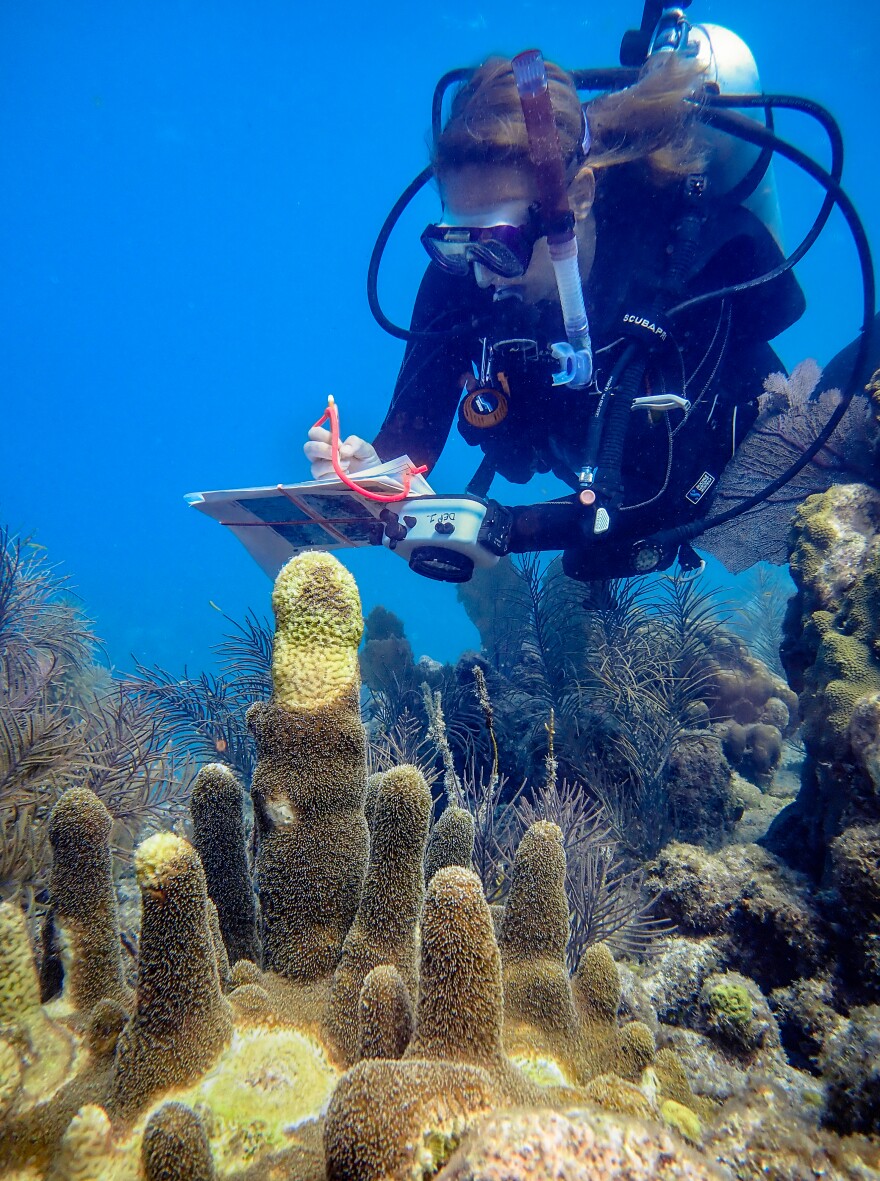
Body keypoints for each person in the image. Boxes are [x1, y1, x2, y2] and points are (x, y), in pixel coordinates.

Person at [304, 39, 805, 582]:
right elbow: (409, 447)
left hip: (731, 456)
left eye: (499, 243)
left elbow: (667, 496)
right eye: (458, 242)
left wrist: (505, 529)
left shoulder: (673, 267)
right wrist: (366, 472)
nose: (479, 272)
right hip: (583, 454)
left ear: (579, 198)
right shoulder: (461, 279)